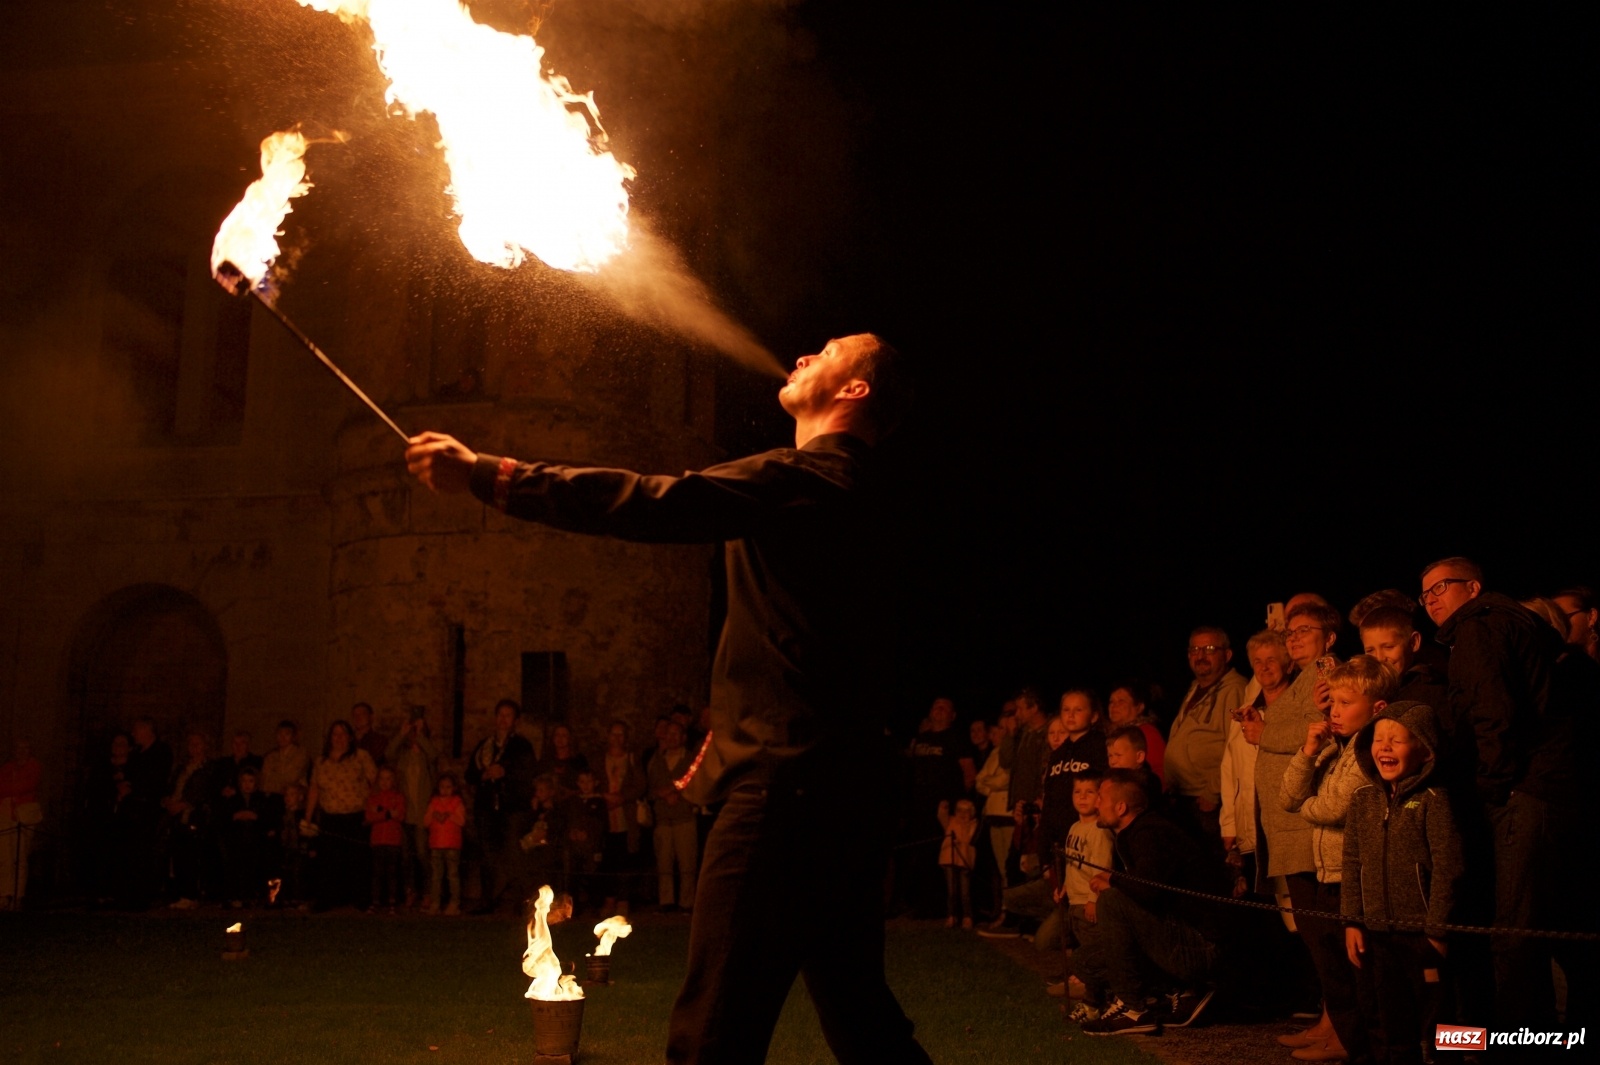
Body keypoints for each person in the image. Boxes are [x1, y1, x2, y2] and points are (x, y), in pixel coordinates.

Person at [405, 332, 933, 1064]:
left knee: (711, 1035)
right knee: (864, 1022)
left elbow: (654, 502)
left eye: (831, 350)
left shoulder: (805, 479)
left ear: (856, 391)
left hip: (784, 799)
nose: (806, 354)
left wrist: (493, 475)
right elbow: (809, 661)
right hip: (841, 800)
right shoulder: (867, 498)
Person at [1420, 556, 1569, 1029]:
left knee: (1511, 935)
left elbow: (1492, 715)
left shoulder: (1481, 628)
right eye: (1424, 594)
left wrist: (1489, 788)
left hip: (1517, 792)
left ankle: (1513, 1047)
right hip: (1535, 788)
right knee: (1520, 932)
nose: (1431, 599)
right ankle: (1533, 1041)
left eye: (1441, 587)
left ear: (1474, 587)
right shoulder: (1509, 625)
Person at [1277, 656, 1392, 1063]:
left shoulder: (1368, 748)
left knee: (1358, 977)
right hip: (1329, 873)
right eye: (1332, 703)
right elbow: (1287, 796)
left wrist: (1309, 802)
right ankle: (1348, 1043)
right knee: (1336, 973)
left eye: (1345, 703)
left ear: (1377, 708)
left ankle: (1362, 1047)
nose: (1333, 711)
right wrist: (1308, 751)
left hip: (1353, 877)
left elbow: (1331, 807)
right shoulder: (1334, 748)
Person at [1343, 702, 1464, 1065]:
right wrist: (1352, 919)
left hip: (1424, 936)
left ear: (1424, 748)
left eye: (1397, 740)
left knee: (1444, 1023)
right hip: (1379, 935)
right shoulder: (1363, 801)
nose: (1385, 747)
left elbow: (1449, 865)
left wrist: (1437, 930)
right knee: (1393, 1021)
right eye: (1379, 739)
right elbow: (1351, 863)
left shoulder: (1434, 800)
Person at [1078, 770, 1236, 1036]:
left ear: (1121, 807)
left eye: (1100, 798)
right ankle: (1181, 991)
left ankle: (1134, 1009)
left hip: (1203, 945)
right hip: (1186, 935)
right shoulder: (1136, 833)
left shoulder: (1150, 834)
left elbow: (1149, 892)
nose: (1095, 804)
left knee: (1112, 901)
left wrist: (1113, 881)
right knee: (1086, 961)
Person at [1221, 629, 1290, 897]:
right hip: (1249, 827)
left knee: (1292, 910)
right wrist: (1229, 825)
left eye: (1272, 659)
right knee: (1260, 910)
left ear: (1288, 662)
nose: (1265, 667)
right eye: (1258, 661)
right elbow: (1229, 770)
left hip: (1282, 827)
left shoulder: (1294, 710)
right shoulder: (1245, 711)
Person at [1166, 626, 1247, 840]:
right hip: (1184, 798)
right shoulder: (1196, 687)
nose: (1200, 656)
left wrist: (1212, 792)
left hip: (1206, 802)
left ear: (1227, 655)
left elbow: (1235, 745)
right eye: (1194, 649)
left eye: (1209, 649)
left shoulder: (1234, 690)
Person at [466, 698, 536, 914]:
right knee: (487, 854)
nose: (503, 719)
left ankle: (518, 902)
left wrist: (506, 772)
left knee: (513, 854)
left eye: (508, 715)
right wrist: (484, 774)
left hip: (512, 808)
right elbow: (470, 774)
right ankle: (486, 900)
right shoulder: (484, 747)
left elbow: (528, 773)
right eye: (500, 715)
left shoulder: (521, 746)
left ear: (515, 720)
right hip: (487, 808)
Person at [1055, 772, 1114, 1012]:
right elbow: (1074, 863)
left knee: (1093, 950)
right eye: (1078, 792)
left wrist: (1093, 900)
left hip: (1089, 902)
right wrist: (1066, 887)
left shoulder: (1099, 830)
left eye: (1089, 792)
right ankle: (1091, 996)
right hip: (1075, 900)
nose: (1082, 797)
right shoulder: (1075, 827)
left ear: (1099, 797)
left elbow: (1102, 868)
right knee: (1082, 946)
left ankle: (1095, 1000)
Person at [305, 719, 377, 911]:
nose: (339, 738)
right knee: (329, 860)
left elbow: (375, 784)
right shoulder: (321, 762)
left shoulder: (361, 757)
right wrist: (308, 816)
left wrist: (373, 811)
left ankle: (360, 898)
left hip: (355, 816)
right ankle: (327, 898)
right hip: (330, 817)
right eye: (335, 734)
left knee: (357, 860)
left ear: (350, 737)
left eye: (343, 734)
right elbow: (314, 788)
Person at [385, 708, 439, 907]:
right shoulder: (402, 756)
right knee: (407, 857)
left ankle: (428, 892)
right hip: (405, 814)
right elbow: (388, 753)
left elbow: (433, 755)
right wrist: (402, 733)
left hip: (422, 815)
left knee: (423, 855)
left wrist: (421, 734)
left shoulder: (426, 756)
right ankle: (411, 891)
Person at [596, 719, 646, 916]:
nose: (617, 738)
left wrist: (622, 797)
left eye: (620, 734)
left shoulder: (632, 759)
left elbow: (640, 784)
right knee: (608, 859)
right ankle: (609, 899)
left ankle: (623, 900)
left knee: (625, 858)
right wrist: (604, 797)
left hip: (626, 817)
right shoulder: (600, 759)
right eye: (613, 734)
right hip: (606, 818)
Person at [647, 720, 698, 913]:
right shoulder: (656, 760)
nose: (672, 737)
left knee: (687, 864)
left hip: (684, 817)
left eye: (676, 733)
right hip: (663, 819)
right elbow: (649, 788)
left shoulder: (691, 760)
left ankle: (687, 902)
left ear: (683, 737)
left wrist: (678, 795)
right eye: (669, 733)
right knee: (664, 863)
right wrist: (663, 794)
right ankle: (666, 901)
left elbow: (696, 784)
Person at [219, 767, 277, 908]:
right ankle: (236, 895)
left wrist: (255, 818)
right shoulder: (232, 800)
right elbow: (224, 820)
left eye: (250, 781)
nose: (247, 784)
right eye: (244, 781)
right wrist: (236, 817)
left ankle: (252, 895)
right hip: (236, 842)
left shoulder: (262, 799)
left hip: (256, 843)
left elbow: (267, 820)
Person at [0, 737, 43, 910]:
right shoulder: (6, 769)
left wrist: (12, 789)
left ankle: (18, 894)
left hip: (24, 814)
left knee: (20, 855)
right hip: (4, 814)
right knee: (4, 856)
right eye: (19, 748)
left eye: (26, 748)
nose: (22, 752)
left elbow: (28, 785)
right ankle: (5, 893)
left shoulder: (34, 767)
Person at [1106, 681, 1165, 784]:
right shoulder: (1109, 734)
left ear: (1139, 707)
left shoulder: (1147, 733)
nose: (1114, 706)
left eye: (1121, 701)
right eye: (1111, 702)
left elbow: (1159, 771)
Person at [424, 773, 467, 915]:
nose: (445, 790)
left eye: (448, 787)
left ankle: (454, 903)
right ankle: (435, 902)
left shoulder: (457, 803)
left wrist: (449, 814)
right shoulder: (433, 803)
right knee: (436, 876)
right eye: (442, 787)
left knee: (452, 875)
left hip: (452, 845)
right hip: (436, 844)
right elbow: (425, 822)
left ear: (454, 788)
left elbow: (461, 821)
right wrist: (434, 815)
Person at [365, 765, 406, 913]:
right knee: (377, 873)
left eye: (388, 779)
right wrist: (387, 814)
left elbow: (400, 815)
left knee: (392, 873)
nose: (384, 782)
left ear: (393, 781)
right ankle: (376, 901)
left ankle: (392, 901)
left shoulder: (398, 797)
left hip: (393, 840)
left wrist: (380, 812)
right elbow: (369, 817)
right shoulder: (373, 797)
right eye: (382, 778)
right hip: (377, 840)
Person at [936, 798, 980, 928]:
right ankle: (951, 916)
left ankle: (967, 917)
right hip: (949, 858)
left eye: (966, 811)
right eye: (959, 810)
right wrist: (943, 807)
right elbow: (941, 816)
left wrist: (967, 825)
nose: (962, 813)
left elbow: (972, 839)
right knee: (952, 891)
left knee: (965, 892)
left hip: (965, 860)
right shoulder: (951, 821)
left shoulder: (973, 825)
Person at [537, 723, 590, 795]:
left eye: (564, 735)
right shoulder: (546, 759)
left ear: (570, 738)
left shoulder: (579, 760)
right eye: (557, 735)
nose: (560, 738)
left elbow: (587, 783)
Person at [260, 720, 309, 797]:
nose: (282, 737)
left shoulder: (300, 754)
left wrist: (275, 782)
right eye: (280, 734)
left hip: (293, 797)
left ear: (293, 736)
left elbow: (292, 778)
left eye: (287, 734)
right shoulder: (270, 757)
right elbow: (264, 782)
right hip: (273, 797)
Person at [349, 702, 390, 768]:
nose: (358, 718)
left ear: (371, 717)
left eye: (362, 714)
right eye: (355, 715)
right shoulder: (347, 739)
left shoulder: (380, 739)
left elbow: (373, 757)